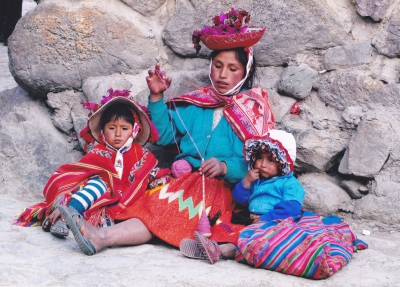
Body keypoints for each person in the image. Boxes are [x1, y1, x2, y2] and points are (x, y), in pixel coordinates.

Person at [57, 8, 276, 256]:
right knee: (152, 204)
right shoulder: (196, 104)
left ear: (245, 71)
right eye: (218, 66)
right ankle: (100, 236)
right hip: (183, 181)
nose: (223, 75)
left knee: (164, 209)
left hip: (221, 191)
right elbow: (163, 134)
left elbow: (261, 165)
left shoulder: (254, 110)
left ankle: (102, 237)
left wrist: (226, 167)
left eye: (233, 68)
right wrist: (157, 96)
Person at [14, 89, 165, 241]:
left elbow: (148, 174)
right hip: (98, 193)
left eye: (124, 129)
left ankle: (61, 219)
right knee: (98, 184)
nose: (118, 134)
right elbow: (82, 171)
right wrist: (105, 182)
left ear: (135, 130)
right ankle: (67, 214)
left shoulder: (141, 154)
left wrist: (160, 178)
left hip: (124, 199)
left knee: (113, 218)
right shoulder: (99, 151)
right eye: (112, 128)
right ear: (103, 132)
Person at [180, 129, 305, 264]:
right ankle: (210, 245)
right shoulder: (257, 179)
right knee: (226, 223)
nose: (262, 164)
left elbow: (291, 209)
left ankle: (220, 251)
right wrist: (246, 182)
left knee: (251, 237)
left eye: (270, 160)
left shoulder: (290, 184)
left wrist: (266, 219)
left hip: (274, 222)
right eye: (260, 158)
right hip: (250, 218)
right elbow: (240, 199)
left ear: (283, 163)